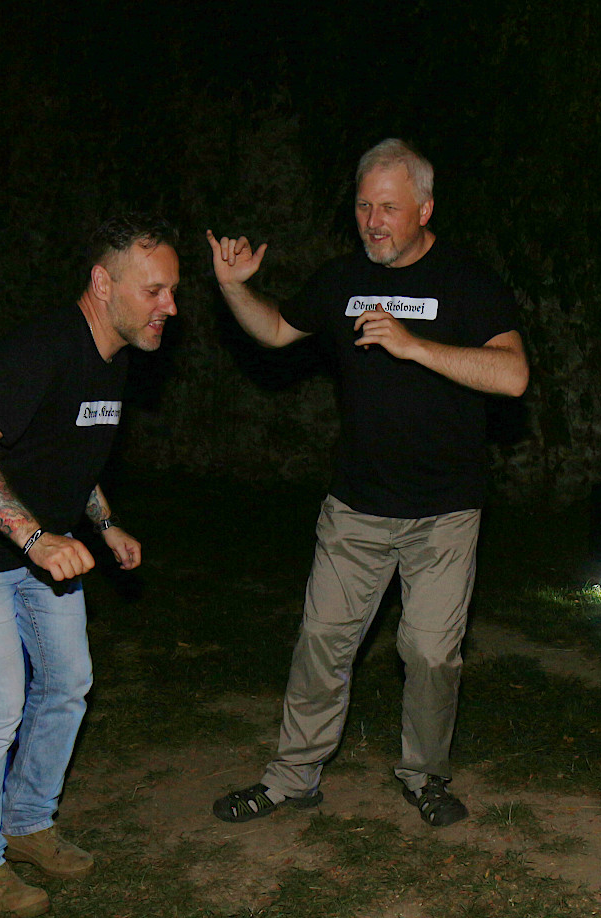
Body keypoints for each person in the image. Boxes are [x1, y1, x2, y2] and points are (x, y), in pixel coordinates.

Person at [206, 138, 529, 829]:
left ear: (425, 209)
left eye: (388, 208)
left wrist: (413, 345)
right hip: (355, 506)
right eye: (362, 206)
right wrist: (234, 288)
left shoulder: (468, 282)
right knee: (321, 643)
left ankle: (425, 775)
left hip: (443, 511)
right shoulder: (340, 279)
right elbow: (276, 331)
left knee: (430, 654)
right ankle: (293, 777)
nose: (373, 222)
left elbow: (512, 375)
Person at [0, 212, 180, 916]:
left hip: (41, 547)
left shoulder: (115, 358)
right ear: (103, 283)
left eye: (173, 291)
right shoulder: (42, 349)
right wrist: (34, 539)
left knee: (66, 684)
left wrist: (104, 523)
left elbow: (66, 452)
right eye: (154, 291)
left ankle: (27, 823)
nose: (170, 307)